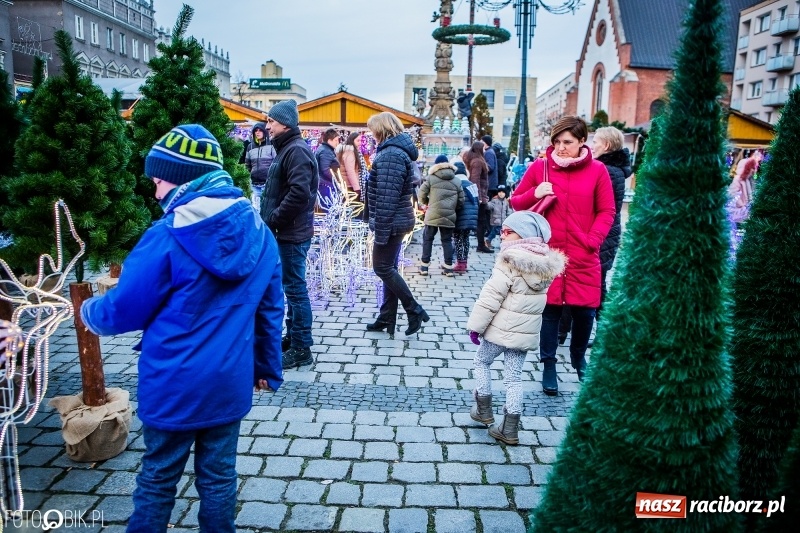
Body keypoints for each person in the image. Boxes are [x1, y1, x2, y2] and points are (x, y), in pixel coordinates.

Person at [80, 124, 284, 533]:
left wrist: (89, 310)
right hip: (229, 382)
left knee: (157, 479)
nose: (155, 192)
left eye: (158, 181)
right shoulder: (261, 234)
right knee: (220, 479)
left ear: (181, 180)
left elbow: (123, 310)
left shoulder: (167, 235)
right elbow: (270, 311)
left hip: (173, 381)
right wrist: (266, 368)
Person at [509, 115, 615, 394]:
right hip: (549, 254)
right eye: (556, 142)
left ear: (582, 141)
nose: (560, 147)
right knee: (550, 312)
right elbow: (516, 202)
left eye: (567, 142)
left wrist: (593, 241)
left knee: (586, 312)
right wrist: (535, 191)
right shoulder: (541, 167)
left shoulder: (598, 171)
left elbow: (607, 211)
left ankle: (578, 357)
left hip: (583, 253)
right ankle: (549, 365)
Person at [466, 211, 566, 444]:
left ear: (524, 235)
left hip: (500, 330)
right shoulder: (544, 267)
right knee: (514, 378)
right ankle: (509, 429)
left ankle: (483, 410)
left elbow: (491, 297)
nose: (502, 234)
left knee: (482, 361)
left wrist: (476, 327)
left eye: (507, 231)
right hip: (524, 334)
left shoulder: (509, 261)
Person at [558, 126, 631, 344]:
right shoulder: (610, 169)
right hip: (603, 234)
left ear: (606, 145)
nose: (592, 145)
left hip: (601, 236)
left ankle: (602, 332)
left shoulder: (605, 171)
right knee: (587, 283)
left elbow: (597, 206)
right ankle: (570, 332)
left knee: (592, 285)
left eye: (596, 141)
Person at [261, 99, 319, 369]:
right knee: (291, 287)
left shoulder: (295, 150)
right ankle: (293, 336)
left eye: (271, 121)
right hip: (287, 231)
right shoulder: (289, 148)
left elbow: (299, 193)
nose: (267, 125)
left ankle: (301, 347)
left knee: (295, 289)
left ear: (284, 123)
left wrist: (274, 218)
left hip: (292, 233)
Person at [365, 111, 429, 336]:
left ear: (382, 129)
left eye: (373, 129)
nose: (371, 134)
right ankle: (386, 318)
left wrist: (379, 228)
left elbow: (386, 197)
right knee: (388, 268)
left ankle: (414, 309)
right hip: (396, 219)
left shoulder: (390, 154)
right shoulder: (395, 151)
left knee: (381, 267)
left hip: (390, 221)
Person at [418, 154, 464, 277]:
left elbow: (421, 193)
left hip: (433, 212)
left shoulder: (431, 178)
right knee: (447, 240)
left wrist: (427, 203)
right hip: (449, 214)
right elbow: (461, 200)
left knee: (428, 239)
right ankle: (448, 268)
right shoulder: (456, 180)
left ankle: (424, 267)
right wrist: (453, 208)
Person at [451, 160, 479, 273]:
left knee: (457, 239)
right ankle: (465, 262)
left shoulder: (456, 184)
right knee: (466, 239)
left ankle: (459, 263)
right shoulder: (472, 185)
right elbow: (477, 201)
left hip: (459, 216)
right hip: (471, 218)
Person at [463, 141, 491, 253]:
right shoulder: (478, 162)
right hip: (480, 196)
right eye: (483, 148)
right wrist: (479, 197)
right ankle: (480, 244)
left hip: (481, 194)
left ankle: (481, 244)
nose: (485, 150)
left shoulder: (474, 160)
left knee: (481, 221)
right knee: (481, 221)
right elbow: (475, 180)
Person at [245, 122, 276, 210]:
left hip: (268, 184)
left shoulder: (271, 145)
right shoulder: (250, 147)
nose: (257, 132)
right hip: (254, 185)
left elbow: (276, 163)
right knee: (255, 209)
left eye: (260, 130)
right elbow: (247, 165)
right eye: (256, 131)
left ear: (265, 132)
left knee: (266, 209)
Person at [316, 128, 341, 210]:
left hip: (324, 184)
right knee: (328, 210)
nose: (338, 143)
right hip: (326, 185)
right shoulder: (326, 151)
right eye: (336, 140)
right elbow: (326, 170)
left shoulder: (325, 149)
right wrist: (337, 180)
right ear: (329, 140)